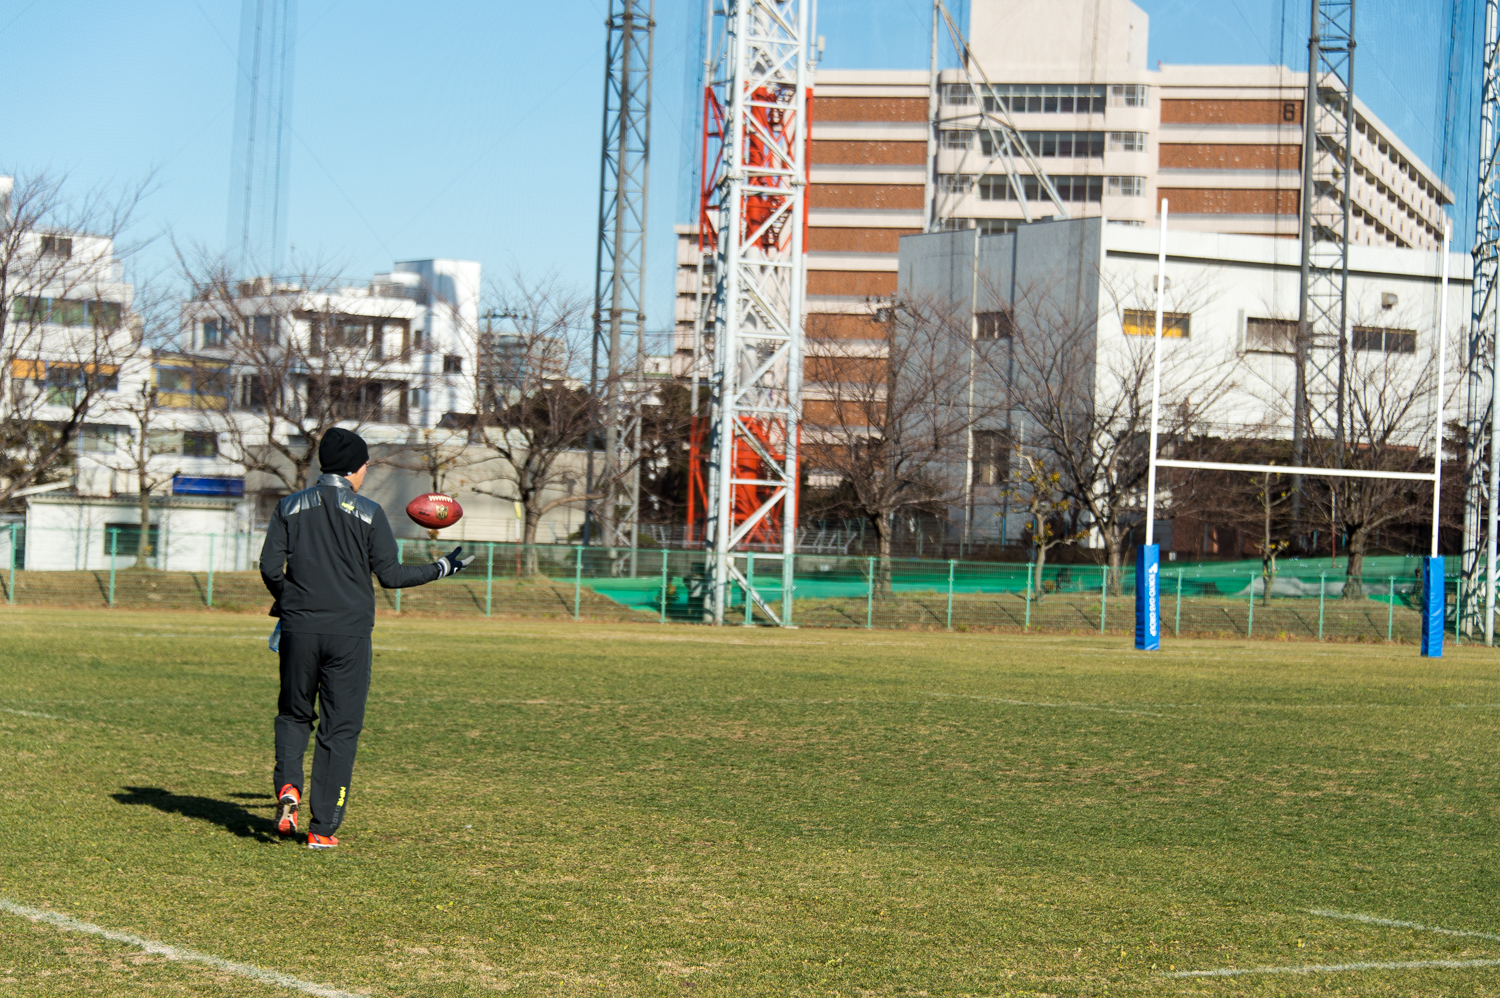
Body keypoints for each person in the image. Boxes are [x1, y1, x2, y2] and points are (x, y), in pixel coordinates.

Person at [259, 427, 473, 849]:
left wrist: (292, 603)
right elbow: (391, 576)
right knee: (339, 731)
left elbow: (269, 567)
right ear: (356, 469)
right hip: (350, 635)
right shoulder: (370, 512)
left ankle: (288, 788)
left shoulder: (288, 506)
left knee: (294, 714)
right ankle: (322, 829)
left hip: (300, 629)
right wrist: (443, 567)